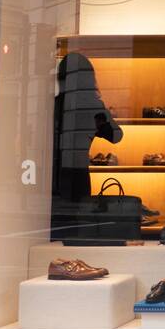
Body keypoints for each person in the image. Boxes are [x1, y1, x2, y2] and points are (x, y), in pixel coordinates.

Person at [50, 51, 123, 240]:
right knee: (78, 225)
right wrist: (100, 119)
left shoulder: (53, 104)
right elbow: (116, 135)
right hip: (79, 173)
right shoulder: (93, 107)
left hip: (52, 173)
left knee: (55, 226)